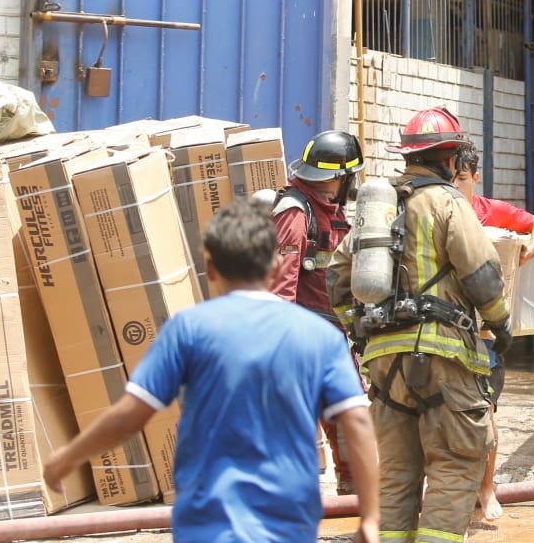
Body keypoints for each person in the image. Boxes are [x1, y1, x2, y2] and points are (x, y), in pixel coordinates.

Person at [42, 200, 379, 543]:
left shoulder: (188, 330)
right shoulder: (319, 336)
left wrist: (69, 456)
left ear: (211, 268)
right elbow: (357, 423)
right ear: (277, 267)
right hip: (287, 524)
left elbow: (129, 416)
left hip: (206, 525)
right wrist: (370, 516)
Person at [329, 106, 511, 543]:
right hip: (442, 359)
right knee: (454, 462)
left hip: (384, 365)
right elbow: (481, 272)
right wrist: (501, 325)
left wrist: (358, 328)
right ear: (450, 159)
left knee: (395, 473)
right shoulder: (447, 202)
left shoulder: (377, 208)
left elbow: (337, 276)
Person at [454, 143, 534, 521]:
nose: (455, 185)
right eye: (450, 178)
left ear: (475, 178)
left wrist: (528, 250)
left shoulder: (488, 212)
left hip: (484, 333)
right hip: (440, 327)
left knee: (486, 411)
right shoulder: (430, 210)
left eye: (462, 179)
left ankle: (486, 487)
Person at [271, 129, 366, 495]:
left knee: (346, 414)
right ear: (339, 178)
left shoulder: (328, 210)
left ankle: (352, 488)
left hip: (331, 333)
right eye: (350, 177)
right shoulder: (296, 212)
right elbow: (281, 288)